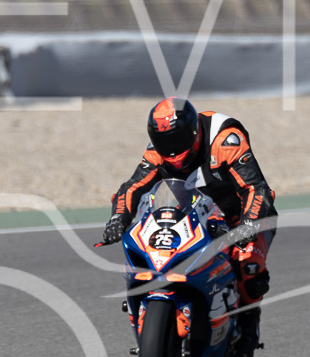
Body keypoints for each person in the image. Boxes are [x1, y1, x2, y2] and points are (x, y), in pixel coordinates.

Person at [101, 98, 276, 344]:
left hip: (240, 218)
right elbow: (133, 187)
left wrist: (248, 225)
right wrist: (118, 218)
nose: (172, 150)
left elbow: (256, 189)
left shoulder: (225, 140)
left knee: (249, 269)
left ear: (194, 131)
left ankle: (247, 329)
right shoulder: (156, 152)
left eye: (178, 140)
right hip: (194, 218)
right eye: (165, 142)